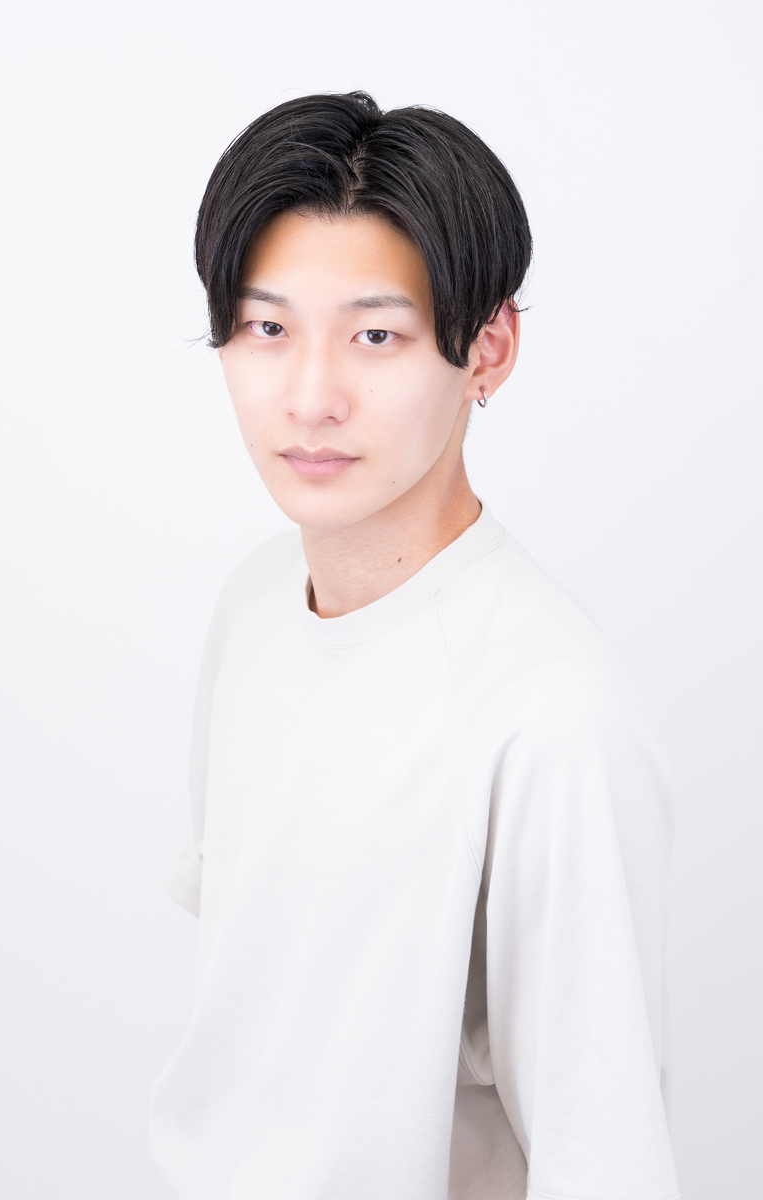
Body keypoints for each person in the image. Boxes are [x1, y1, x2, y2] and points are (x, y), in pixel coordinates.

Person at [151, 91, 680, 1200]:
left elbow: (605, 1159)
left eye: (375, 336)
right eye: (266, 328)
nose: (310, 398)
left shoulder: (550, 716)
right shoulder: (254, 606)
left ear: (488, 348)